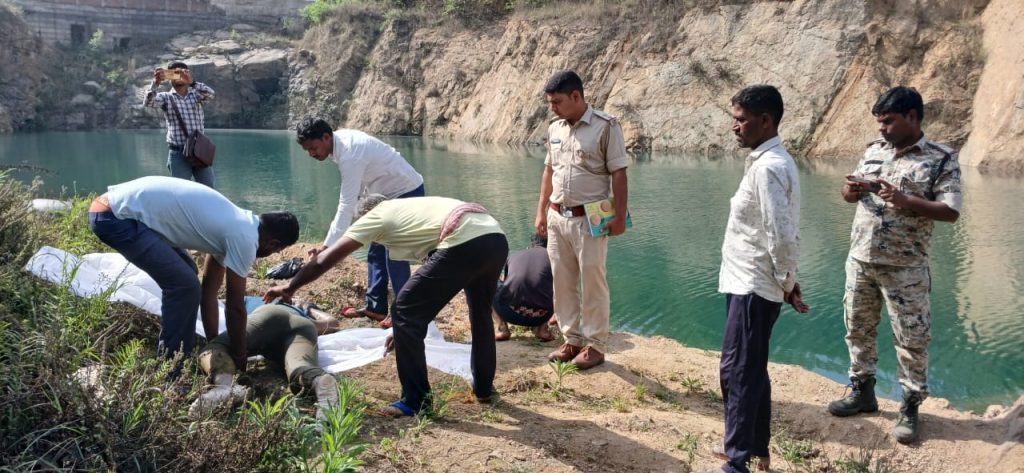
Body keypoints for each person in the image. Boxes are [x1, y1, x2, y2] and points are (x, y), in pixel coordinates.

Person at [264, 195, 508, 417]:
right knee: (480, 313)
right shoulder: (408, 209)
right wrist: (403, 331)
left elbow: (325, 260)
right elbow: (432, 287)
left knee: (403, 310)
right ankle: (484, 389)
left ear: (365, 214)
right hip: (493, 237)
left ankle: (415, 401)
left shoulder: (375, 216)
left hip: (464, 239)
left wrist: (289, 287)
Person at [827, 86, 961, 444]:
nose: (882, 128)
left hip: (906, 268)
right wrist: (851, 191)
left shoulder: (941, 158)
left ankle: (910, 405)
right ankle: (862, 392)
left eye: (888, 121)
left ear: (912, 117)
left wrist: (905, 200)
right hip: (861, 259)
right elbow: (848, 195)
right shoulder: (875, 150)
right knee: (857, 328)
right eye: (879, 122)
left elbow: (950, 211)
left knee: (911, 339)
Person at [88, 176, 299, 375]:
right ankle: (171, 369)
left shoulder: (237, 224)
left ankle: (180, 350)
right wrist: (240, 355)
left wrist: (215, 344)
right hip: (114, 217)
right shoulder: (244, 239)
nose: (271, 254)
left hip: (115, 209)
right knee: (185, 287)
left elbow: (209, 294)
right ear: (273, 244)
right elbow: (235, 308)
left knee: (189, 273)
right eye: (276, 251)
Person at [706, 85, 808, 473]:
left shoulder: (769, 168)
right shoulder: (768, 162)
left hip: (753, 285)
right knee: (751, 367)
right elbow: (780, 232)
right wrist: (788, 280)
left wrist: (786, 281)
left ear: (765, 121)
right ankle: (755, 449)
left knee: (738, 372)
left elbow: (781, 234)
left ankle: (736, 461)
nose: (735, 126)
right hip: (749, 281)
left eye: (741, 120)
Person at [535, 69, 629, 370]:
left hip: (589, 219)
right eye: (550, 102)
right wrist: (540, 212)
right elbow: (549, 170)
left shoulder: (606, 126)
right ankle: (571, 339)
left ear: (576, 96)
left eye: (557, 102)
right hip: (557, 216)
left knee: (593, 282)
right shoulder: (555, 128)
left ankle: (595, 345)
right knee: (562, 282)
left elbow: (619, 172)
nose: (553, 108)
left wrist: (619, 217)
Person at [295, 117, 426, 327]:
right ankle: (376, 308)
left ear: (326, 137)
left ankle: (403, 313)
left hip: (406, 191)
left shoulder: (350, 154)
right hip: (384, 194)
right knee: (376, 249)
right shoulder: (340, 144)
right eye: (307, 150)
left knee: (395, 252)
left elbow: (346, 204)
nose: (311, 154)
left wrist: (327, 247)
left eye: (313, 148)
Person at [188, 300, 342, 419]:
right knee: (301, 364)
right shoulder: (303, 314)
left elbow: (224, 303)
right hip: (304, 326)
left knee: (215, 348)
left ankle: (225, 385)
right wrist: (308, 307)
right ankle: (320, 381)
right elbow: (333, 323)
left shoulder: (255, 300)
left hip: (268, 315)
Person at [143, 61, 216, 187]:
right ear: (169, 77)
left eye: (182, 73)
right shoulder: (165, 97)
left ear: (188, 74)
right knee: (180, 192)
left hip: (199, 150)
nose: (178, 76)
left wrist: (192, 82)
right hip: (178, 153)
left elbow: (211, 94)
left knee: (208, 189)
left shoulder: (197, 95)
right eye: (174, 73)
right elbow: (148, 103)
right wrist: (155, 83)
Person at [492, 233, 555, 342]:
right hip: (542, 316)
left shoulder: (514, 255)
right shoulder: (554, 258)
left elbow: (507, 285)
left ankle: (502, 328)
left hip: (509, 313)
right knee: (556, 286)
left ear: (530, 246)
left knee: (490, 284)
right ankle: (542, 329)